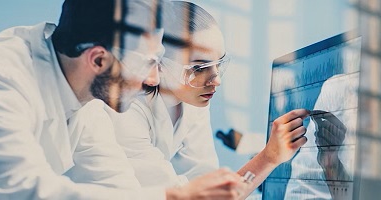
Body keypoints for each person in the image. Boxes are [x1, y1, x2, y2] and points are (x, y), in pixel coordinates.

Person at [0, 0, 249, 199]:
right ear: (98, 59)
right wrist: (177, 195)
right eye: (148, 63)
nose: (154, 80)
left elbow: (118, 187)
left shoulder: (87, 102)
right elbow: (23, 188)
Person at [112, 1, 310, 197]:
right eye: (199, 68)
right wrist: (269, 157)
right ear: (157, 62)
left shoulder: (193, 103)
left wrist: (270, 157)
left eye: (219, 64)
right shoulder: (126, 111)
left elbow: (210, 190)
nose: (216, 81)